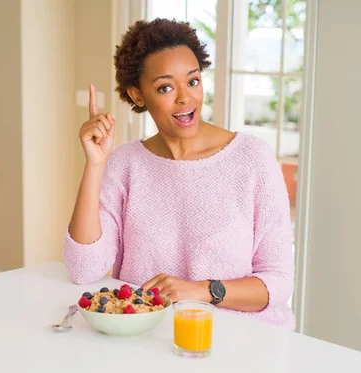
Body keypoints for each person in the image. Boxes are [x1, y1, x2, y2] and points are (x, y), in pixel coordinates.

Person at [63, 18, 295, 330]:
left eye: (193, 81)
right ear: (137, 95)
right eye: (166, 87)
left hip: (240, 340)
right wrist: (95, 164)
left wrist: (202, 292)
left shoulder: (252, 158)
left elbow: (278, 283)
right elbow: (83, 269)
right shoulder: (125, 164)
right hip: (147, 338)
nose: (185, 97)